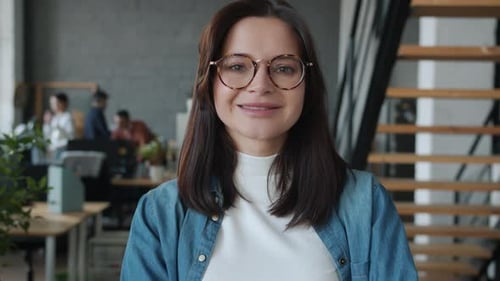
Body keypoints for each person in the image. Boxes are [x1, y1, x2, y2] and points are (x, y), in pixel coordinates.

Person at [121, 0, 417, 280]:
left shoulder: (366, 205)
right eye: (237, 66)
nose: (260, 85)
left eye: (283, 68)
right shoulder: (161, 214)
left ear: (306, 86)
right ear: (209, 83)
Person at [43, 92, 75, 160]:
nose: (52, 106)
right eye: (51, 103)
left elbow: (70, 137)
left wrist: (58, 127)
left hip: (62, 150)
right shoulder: (54, 118)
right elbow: (47, 135)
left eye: (55, 103)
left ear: (62, 103)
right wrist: (47, 123)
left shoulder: (68, 117)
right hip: (52, 151)